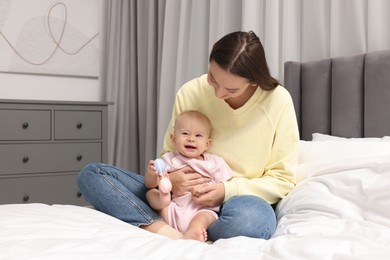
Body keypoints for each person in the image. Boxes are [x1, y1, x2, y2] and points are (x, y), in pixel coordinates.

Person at [77, 30, 299, 242]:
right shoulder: (191, 91)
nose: (218, 94)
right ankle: (166, 230)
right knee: (92, 175)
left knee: (253, 222)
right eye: (213, 78)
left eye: (231, 90)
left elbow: (282, 179)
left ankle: (194, 226)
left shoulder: (277, 101)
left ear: (254, 81)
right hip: (177, 194)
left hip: (237, 199)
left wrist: (225, 191)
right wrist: (171, 181)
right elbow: (169, 154)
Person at [145, 110, 233, 242]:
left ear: (207, 144)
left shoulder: (214, 162)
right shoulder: (169, 159)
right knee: (150, 193)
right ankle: (163, 204)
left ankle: (194, 231)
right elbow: (148, 183)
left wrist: (212, 191)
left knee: (206, 216)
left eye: (198, 135)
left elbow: (227, 185)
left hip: (201, 208)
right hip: (172, 209)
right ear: (174, 139)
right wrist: (152, 174)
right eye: (185, 133)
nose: (191, 139)